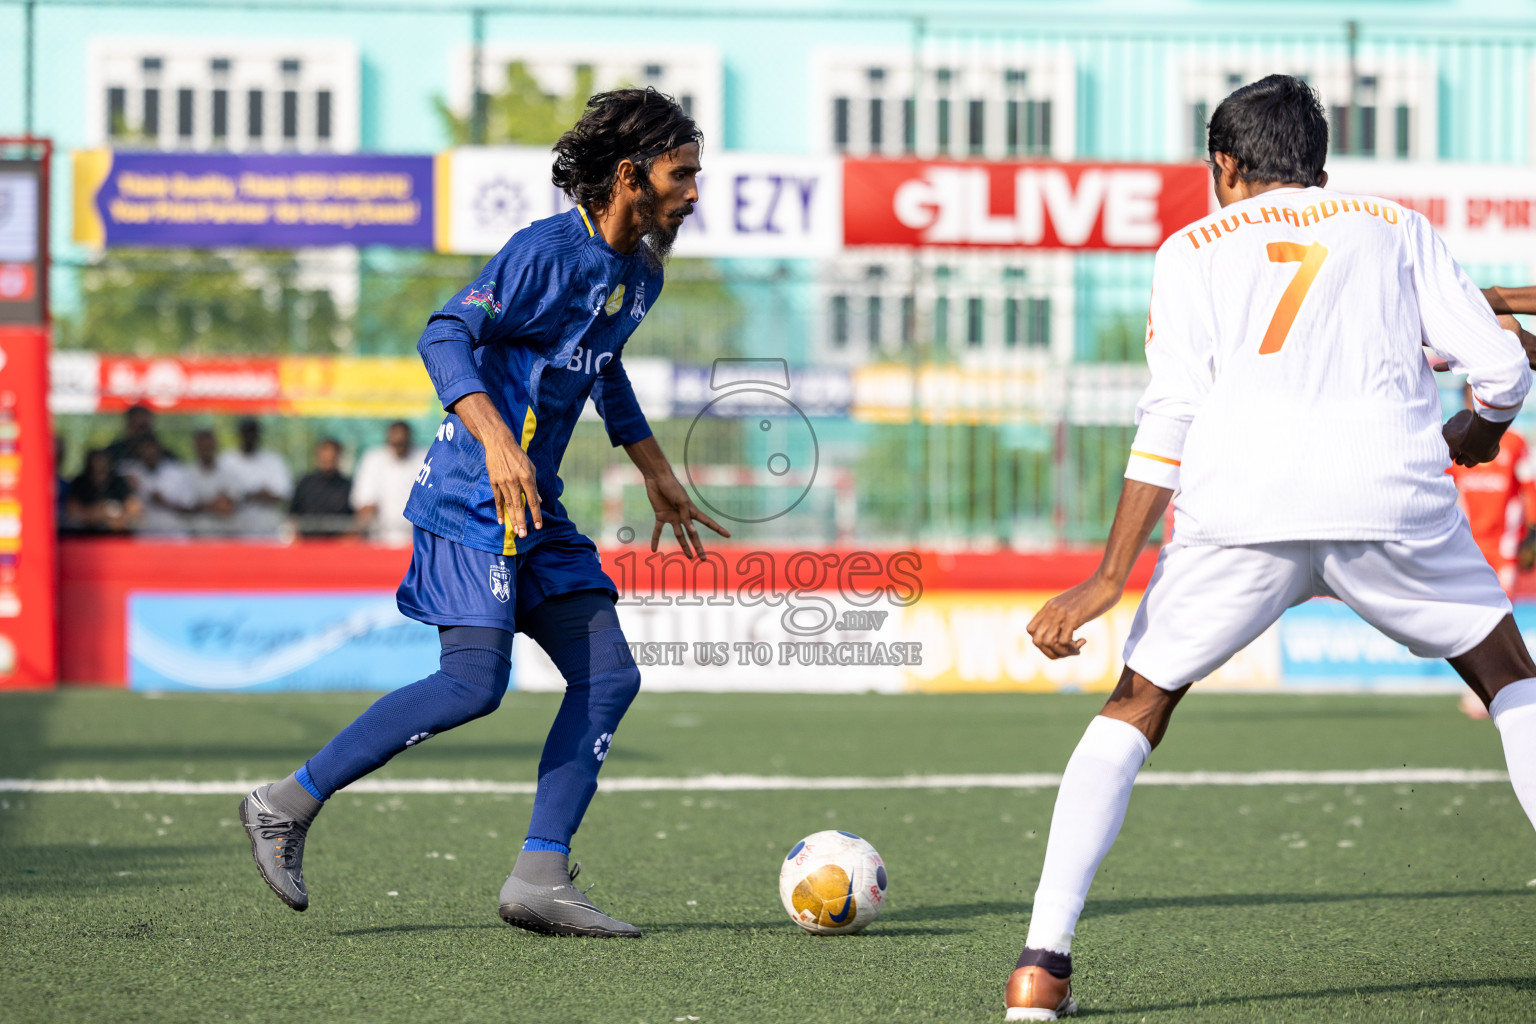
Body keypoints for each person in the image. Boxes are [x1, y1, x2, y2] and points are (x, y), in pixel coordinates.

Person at [1005, 75, 1536, 1021]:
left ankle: (1040, 967)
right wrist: (1482, 432)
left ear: (1225, 163)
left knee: (1137, 704)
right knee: (1511, 681)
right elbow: (1499, 365)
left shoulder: (1189, 250)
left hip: (1238, 513)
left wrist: (1106, 577)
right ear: (1320, 160)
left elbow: (1169, 414)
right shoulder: (1396, 224)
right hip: (1390, 497)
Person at [239, 88, 727, 938]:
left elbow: (600, 366)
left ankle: (540, 876)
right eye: (681, 174)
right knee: (474, 684)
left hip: (535, 508)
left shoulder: (641, 274)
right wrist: (498, 442)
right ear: (629, 177)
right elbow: (442, 335)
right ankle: (285, 802)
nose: (694, 191)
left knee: (609, 675)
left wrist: (654, 468)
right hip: (473, 496)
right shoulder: (544, 252)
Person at [1448, 384, 1536, 718]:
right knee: (1473, 614)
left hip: (1504, 548)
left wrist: (1531, 531)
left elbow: (1529, 488)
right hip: (1469, 546)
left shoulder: (1513, 445)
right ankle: (1487, 687)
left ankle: (1501, 689)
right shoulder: (1455, 447)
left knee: (1497, 615)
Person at [349, 421, 426, 546]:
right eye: (395, 443)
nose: (398, 446)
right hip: (378, 540)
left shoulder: (423, 457)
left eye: (402, 442)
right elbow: (365, 502)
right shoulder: (373, 459)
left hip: (415, 540)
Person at [218, 418, 293, 538]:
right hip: (235, 534)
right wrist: (254, 495)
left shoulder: (273, 460)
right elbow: (223, 500)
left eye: (252, 432)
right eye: (246, 432)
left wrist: (247, 496)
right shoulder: (226, 461)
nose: (249, 436)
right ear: (239, 435)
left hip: (268, 533)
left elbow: (283, 494)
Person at [120, 437, 197, 537]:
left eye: (151, 450)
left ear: (159, 450)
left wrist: (165, 503)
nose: (149, 454)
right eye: (144, 451)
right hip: (145, 538)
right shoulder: (132, 473)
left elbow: (191, 509)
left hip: (175, 537)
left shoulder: (176, 473)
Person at [62, 448, 140, 534]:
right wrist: (95, 513)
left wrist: (119, 516)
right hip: (85, 536)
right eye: (96, 462)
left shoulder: (119, 482)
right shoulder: (80, 482)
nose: (100, 465)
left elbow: (134, 509)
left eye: (103, 462)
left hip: (116, 535)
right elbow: (73, 511)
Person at [288, 438, 354, 537]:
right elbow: (293, 516)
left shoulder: (348, 486)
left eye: (331, 458)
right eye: (324, 458)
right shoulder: (305, 483)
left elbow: (355, 520)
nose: (327, 461)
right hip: (307, 544)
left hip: (338, 545)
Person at [186, 428, 240, 537]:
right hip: (196, 536)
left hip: (225, 535)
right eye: (203, 446)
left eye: (208, 445)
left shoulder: (228, 473)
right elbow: (185, 507)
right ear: (196, 447)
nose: (206, 449)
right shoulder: (186, 474)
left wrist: (206, 505)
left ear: (215, 446)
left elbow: (229, 506)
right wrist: (212, 505)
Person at [104, 404, 173, 468]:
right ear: (128, 426)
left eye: (143, 427)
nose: (141, 433)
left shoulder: (163, 454)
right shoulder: (113, 453)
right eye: (137, 427)